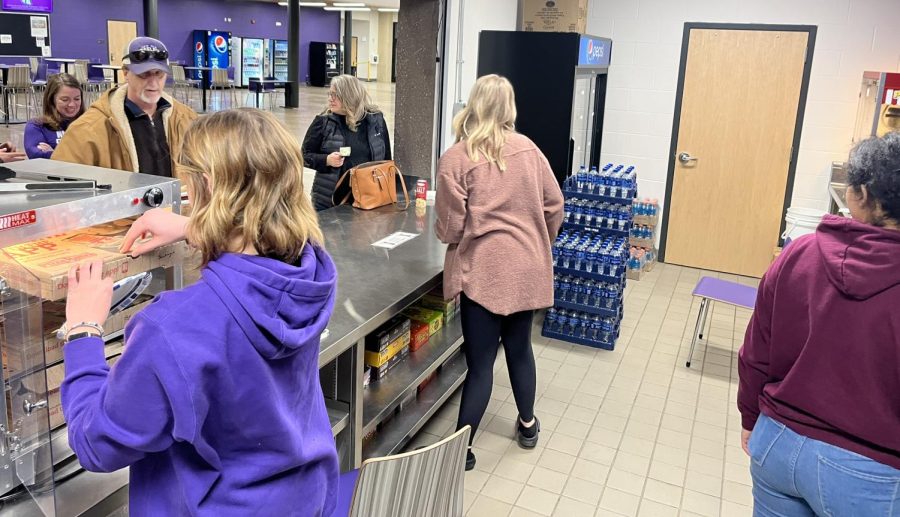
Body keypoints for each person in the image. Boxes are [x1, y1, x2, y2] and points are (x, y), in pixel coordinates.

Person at [60, 109, 339, 515]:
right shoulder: (310, 272)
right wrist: (197, 226)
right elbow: (259, 251)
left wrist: (83, 331)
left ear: (206, 186)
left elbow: (97, 444)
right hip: (305, 498)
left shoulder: (171, 329)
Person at [738, 132, 900, 515]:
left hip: (777, 442)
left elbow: (756, 351)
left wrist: (750, 418)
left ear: (857, 194)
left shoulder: (800, 253)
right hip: (870, 468)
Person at [435, 74, 564, 471]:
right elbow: (554, 204)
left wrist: (459, 234)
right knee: (521, 349)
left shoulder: (457, 158)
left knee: (480, 365)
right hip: (526, 267)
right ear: (509, 108)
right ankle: (527, 425)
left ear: (473, 106)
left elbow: (450, 227)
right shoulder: (529, 150)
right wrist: (539, 240)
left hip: (484, 273)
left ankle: (462, 450)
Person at [52, 37, 197, 175]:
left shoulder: (187, 120)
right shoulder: (88, 130)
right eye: (144, 74)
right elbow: (61, 185)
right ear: (126, 72)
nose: (153, 83)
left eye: (159, 74)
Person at [302, 74, 392, 211]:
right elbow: (303, 156)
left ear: (349, 96)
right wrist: (326, 160)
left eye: (335, 95)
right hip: (330, 200)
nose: (330, 99)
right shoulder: (323, 122)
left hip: (368, 198)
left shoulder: (375, 121)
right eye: (329, 94)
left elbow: (386, 159)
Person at [24, 73, 84, 159]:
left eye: (77, 99)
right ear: (51, 99)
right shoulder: (37, 126)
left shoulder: (89, 124)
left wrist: (54, 153)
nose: (72, 104)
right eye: (65, 100)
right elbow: (36, 155)